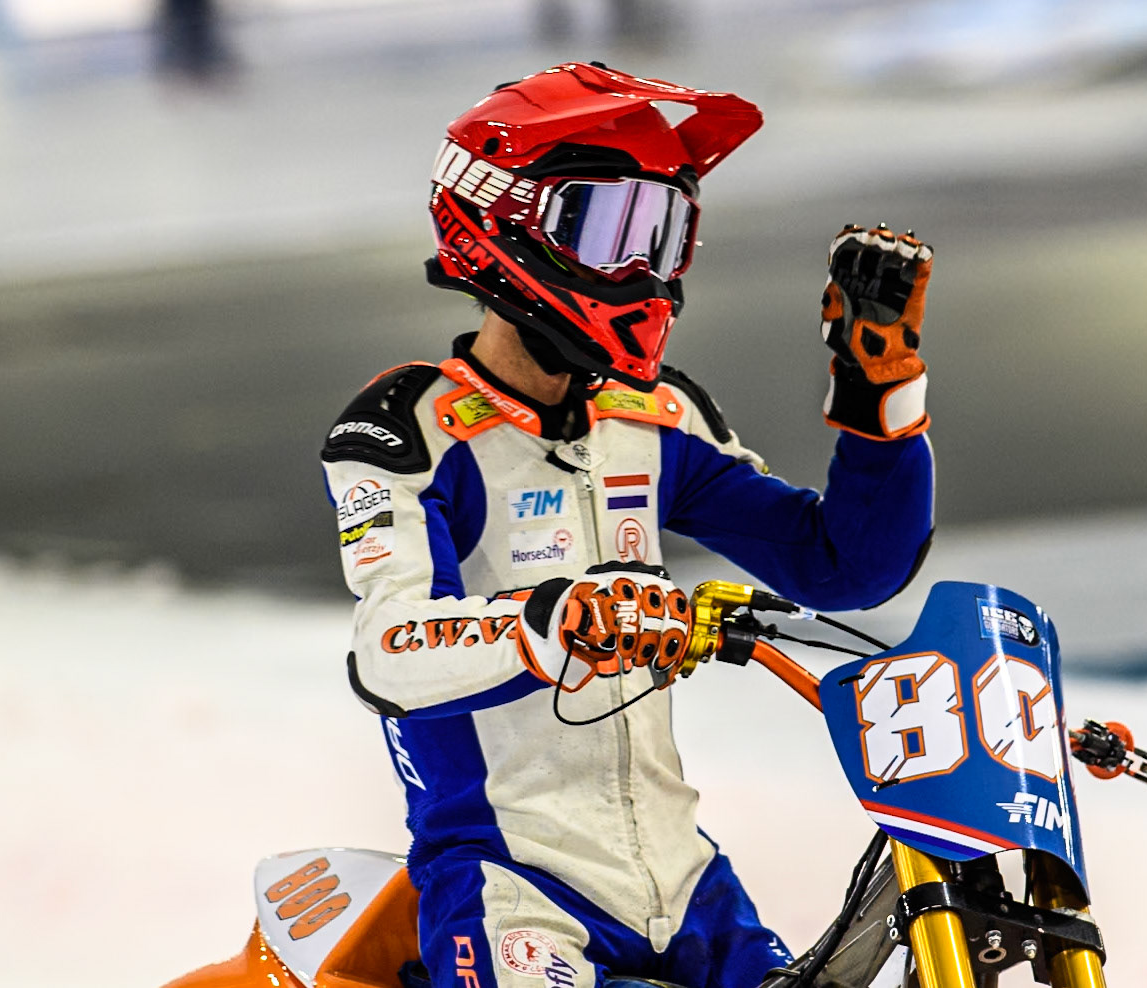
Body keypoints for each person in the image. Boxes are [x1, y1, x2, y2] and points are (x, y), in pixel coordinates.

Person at [320, 62, 936, 988]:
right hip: (512, 886)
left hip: (686, 885)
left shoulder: (653, 416)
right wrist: (550, 620)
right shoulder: (411, 424)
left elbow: (842, 567)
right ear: (498, 222)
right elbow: (388, 651)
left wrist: (877, 399)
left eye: (665, 230)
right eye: (610, 228)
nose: (644, 268)